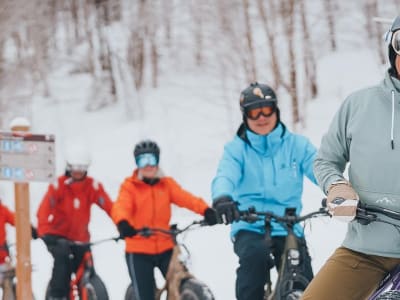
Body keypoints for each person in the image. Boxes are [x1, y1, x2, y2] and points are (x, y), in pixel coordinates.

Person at [302, 16, 400, 300]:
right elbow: (326, 160)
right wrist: (336, 186)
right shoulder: (359, 105)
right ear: (392, 50)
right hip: (365, 250)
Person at [211, 82, 318, 300]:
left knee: (304, 280)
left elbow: (321, 169)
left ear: (276, 110)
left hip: (287, 225)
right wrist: (222, 198)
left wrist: (340, 189)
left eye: (266, 109)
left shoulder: (298, 145)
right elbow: (225, 176)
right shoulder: (236, 149)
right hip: (249, 223)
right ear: (245, 116)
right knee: (254, 261)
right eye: (254, 111)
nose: (261, 117)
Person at [112, 139, 218, 300]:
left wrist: (206, 210)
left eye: (151, 159)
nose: (148, 165)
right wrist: (123, 223)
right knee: (145, 295)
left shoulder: (166, 185)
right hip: (138, 249)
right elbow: (121, 206)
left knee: (179, 281)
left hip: (165, 246)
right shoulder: (129, 187)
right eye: (143, 160)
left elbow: (186, 198)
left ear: (157, 160)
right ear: (137, 164)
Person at [36, 146, 113, 300]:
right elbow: (43, 211)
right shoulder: (58, 185)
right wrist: (44, 232)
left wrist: (124, 224)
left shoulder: (92, 186)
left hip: (81, 239)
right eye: (75, 167)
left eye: (82, 168)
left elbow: (110, 207)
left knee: (87, 267)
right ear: (68, 167)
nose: (78, 171)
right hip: (58, 238)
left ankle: (89, 289)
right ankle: (57, 296)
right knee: (62, 265)